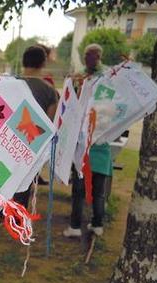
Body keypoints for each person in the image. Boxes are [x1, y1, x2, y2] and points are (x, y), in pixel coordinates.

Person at [63, 43, 112, 239]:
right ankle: (76, 226)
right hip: (84, 145)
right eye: (85, 55)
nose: (87, 59)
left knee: (96, 190)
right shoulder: (81, 75)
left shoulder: (107, 77)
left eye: (90, 56)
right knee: (80, 190)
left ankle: (96, 223)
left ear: (98, 56)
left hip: (97, 143)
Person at [13, 45, 58, 208]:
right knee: (25, 183)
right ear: (43, 63)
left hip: (7, 140)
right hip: (31, 145)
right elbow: (49, 123)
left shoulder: (10, 84)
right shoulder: (49, 91)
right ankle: (18, 215)